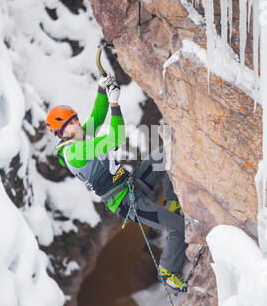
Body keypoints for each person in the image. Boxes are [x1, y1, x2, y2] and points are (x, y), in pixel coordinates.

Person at [45, 74, 187, 290]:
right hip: (127, 202)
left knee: (167, 153)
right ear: (61, 134)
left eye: (74, 119)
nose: (76, 124)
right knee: (178, 227)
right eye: (70, 124)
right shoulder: (74, 151)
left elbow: (97, 116)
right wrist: (114, 103)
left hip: (131, 184)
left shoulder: (80, 136)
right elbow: (116, 137)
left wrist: (102, 90)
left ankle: (172, 202)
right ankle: (168, 270)